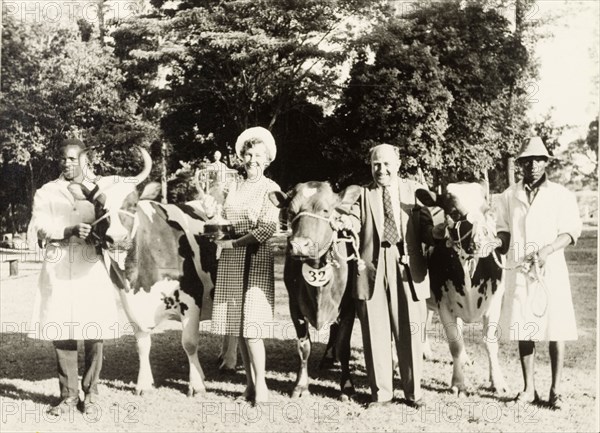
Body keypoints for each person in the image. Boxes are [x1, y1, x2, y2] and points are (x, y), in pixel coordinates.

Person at [27, 138, 119, 416]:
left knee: (94, 329)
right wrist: (67, 230)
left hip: (89, 266)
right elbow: (40, 225)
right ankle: (68, 396)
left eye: (73, 158)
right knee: (62, 329)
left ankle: (90, 394)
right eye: (63, 159)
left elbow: (114, 224)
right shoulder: (47, 191)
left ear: (85, 161)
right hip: (59, 263)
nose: (67, 163)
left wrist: (104, 233)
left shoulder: (100, 190)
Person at [494, 136, 582, 410]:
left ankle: (556, 390)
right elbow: (503, 232)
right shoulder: (508, 196)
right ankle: (529, 389)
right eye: (527, 160)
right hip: (520, 268)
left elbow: (570, 232)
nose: (532, 165)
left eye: (538, 160)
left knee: (557, 327)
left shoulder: (561, 195)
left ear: (546, 163)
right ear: (520, 164)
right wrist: (493, 243)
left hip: (551, 267)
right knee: (524, 326)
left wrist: (546, 251)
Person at [348, 144, 434, 408]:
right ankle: (381, 394)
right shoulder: (363, 194)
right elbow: (352, 219)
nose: (381, 170)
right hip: (372, 267)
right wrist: (345, 224)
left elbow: (428, 229)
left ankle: (413, 393)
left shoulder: (415, 192)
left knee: (409, 329)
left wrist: (441, 232)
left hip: (406, 264)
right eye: (376, 164)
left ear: (398, 163)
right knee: (375, 331)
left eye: (386, 164)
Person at [209, 126, 281, 403]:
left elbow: (266, 229)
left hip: (255, 259)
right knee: (237, 327)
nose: (252, 160)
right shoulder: (234, 186)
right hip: (230, 260)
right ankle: (249, 387)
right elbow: (222, 217)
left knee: (252, 330)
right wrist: (217, 228)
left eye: (258, 155)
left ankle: (261, 388)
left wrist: (234, 244)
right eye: (248, 154)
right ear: (241, 157)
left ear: (267, 159)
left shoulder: (270, 188)